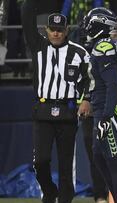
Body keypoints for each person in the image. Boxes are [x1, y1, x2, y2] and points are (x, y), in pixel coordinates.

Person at [21, 0, 91, 202]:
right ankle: (50, 192)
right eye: (53, 29)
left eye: (60, 30)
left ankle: (65, 200)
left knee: (66, 165)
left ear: (67, 30)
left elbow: (90, 79)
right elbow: (26, 13)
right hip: (43, 111)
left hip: (68, 112)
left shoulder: (79, 53)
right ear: (46, 30)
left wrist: (86, 99)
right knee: (41, 162)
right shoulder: (38, 46)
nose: (56, 33)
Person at [82, 7, 117, 203]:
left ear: (97, 24)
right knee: (98, 156)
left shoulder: (103, 47)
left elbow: (112, 84)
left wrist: (106, 116)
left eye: (89, 23)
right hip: (103, 108)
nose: (85, 27)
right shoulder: (111, 44)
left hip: (107, 109)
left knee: (114, 162)